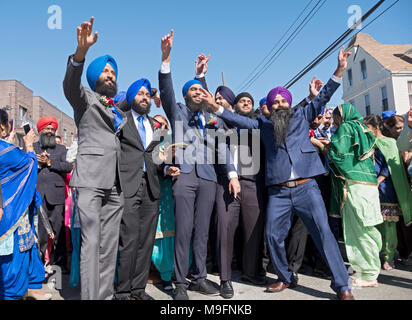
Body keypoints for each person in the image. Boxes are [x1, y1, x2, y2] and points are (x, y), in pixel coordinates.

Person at [204, 47, 354, 300]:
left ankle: (342, 285)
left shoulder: (303, 114)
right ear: (270, 107)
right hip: (279, 192)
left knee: (324, 234)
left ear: (290, 102)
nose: (280, 104)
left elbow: (325, 96)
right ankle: (285, 277)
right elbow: (240, 120)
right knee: (273, 235)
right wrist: (216, 109)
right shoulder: (262, 124)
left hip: (307, 188)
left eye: (283, 100)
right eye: (275, 102)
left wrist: (339, 69)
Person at [159, 29, 238, 300]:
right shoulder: (178, 111)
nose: (197, 92)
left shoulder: (209, 116)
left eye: (199, 90)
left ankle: (199, 278)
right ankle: (180, 283)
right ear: (185, 95)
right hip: (185, 177)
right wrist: (166, 58)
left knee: (202, 231)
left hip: (208, 178)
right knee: (183, 230)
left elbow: (220, 142)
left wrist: (202, 74)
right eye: (192, 89)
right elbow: (167, 90)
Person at [63, 17, 127, 300]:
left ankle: (105, 296)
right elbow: (70, 84)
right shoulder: (84, 99)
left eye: (113, 72)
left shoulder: (118, 110)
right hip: (90, 181)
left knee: (108, 248)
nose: (111, 75)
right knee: (90, 246)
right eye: (106, 71)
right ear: (95, 77)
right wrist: (80, 54)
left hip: (115, 186)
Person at [114, 79, 172, 300]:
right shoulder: (121, 120)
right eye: (140, 93)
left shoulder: (154, 126)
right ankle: (122, 291)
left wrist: (167, 169)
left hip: (151, 186)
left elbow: (156, 157)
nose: (145, 97)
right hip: (127, 185)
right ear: (131, 98)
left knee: (146, 241)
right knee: (128, 240)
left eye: (147, 94)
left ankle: (138, 290)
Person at [329, 104, 383, 288]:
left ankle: (369, 275)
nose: (333, 123)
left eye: (335, 118)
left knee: (358, 229)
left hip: (354, 185)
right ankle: (363, 267)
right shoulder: (363, 128)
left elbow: (338, 155)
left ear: (340, 116)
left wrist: (323, 147)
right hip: (368, 185)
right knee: (368, 227)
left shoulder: (346, 127)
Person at [0, 109, 51, 300]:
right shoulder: (5, 150)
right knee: (11, 268)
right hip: (9, 216)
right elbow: (28, 166)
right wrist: (29, 144)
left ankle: (33, 288)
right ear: (2, 126)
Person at [364, 115, 412, 270]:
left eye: (367, 127)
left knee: (389, 226)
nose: (365, 130)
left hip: (387, 191)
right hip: (370, 191)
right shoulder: (367, 143)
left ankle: (388, 257)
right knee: (375, 225)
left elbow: (390, 166)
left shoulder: (390, 143)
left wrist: (379, 180)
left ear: (376, 127)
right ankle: (376, 255)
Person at [34, 117, 72, 271]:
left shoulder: (62, 149)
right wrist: (37, 163)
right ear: (40, 130)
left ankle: (61, 264)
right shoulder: (33, 147)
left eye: (52, 129)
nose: (49, 131)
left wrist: (50, 163)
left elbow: (68, 166)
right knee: (41, 233)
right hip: (38, 195)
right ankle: (41, 263)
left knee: (58, 231)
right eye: (46, 128)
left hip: (56, 196)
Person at [151, 115, 178, 292]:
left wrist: (172, 159)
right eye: (156, 123)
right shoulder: (147, 142)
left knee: (169, 233)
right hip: (150, 192)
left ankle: (170, 274)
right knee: (152, 235)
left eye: (163, 123)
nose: (159, 125)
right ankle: (154, 273)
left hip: (170, 193)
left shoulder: (173, 142)